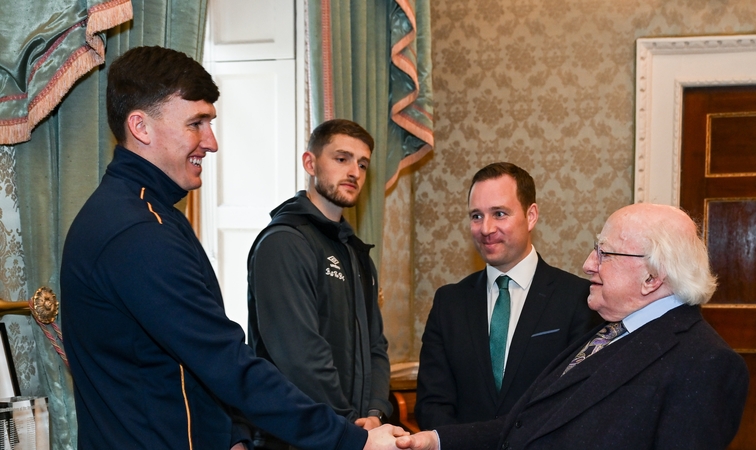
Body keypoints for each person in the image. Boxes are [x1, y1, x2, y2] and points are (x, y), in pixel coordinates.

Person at [60, 46, 404, 450]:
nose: (211, 142)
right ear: (141, 127)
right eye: (196, 123)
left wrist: (233, 438)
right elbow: (226, 361)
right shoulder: (136, 230)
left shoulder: (154, 215)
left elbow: (187, 365)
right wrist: (351, 440)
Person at [398, 203, 750, 450]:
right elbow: (531, 421)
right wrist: (438, 440)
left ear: (652, 278)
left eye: (604, 253)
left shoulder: (705, 363)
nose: (587, 265)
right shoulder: (608, 329)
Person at [414, 162, 600, 429]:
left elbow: (576, 402)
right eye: (476, 216)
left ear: (531, 215)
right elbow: (432, 404)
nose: (486, 228)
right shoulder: (449, 303)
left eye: (499, 214)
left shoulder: (579, 299)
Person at [246, 119, 392, 448]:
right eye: (342, 159)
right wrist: (350, 426)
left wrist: (375, 412)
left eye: (363, 163)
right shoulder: (284, 241)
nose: (354, 171)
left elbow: (375, 346)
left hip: (353, 433)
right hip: (296, 437)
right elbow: (301, 356)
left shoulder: (357, 254)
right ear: (310, 163)